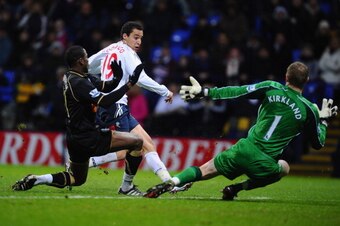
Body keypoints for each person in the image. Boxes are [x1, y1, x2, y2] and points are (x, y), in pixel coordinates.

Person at [143, 62, 338, 200]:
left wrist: (205, 92)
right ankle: (236, 188)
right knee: (284, 167)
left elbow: (238, 92)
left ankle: (173, 181)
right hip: (265, 163)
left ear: (286, 77)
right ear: (307, 81)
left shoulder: (271, 87)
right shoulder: (309, 110)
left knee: (206, 169)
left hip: (244, 149)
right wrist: (324, 121)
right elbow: (318, 144)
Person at [12, 45, 145, 193]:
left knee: (76, 179)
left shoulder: (73, 77)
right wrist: (129, 84)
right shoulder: (79, 83)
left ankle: (38, 179)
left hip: (74, 137)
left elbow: (104, 86)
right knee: (137, 142)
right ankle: (126, 187)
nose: (88, 60)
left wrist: (117, 77)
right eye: (86, 57)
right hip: (88, 136)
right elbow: (105, 100)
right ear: (81, 61)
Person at [85, 21, 191, 195]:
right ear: (125, 36)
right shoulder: (128, 53)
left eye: (141, 38)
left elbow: (88, 65)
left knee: (147, 144)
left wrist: (93, 82)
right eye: (135, 37)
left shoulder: (110, 49)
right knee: (130, 148)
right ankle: (87, 162)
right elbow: (140, 78)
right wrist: (164, 91)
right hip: (115, 105)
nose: (139, 42)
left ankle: (169, 183)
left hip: (114, 104)